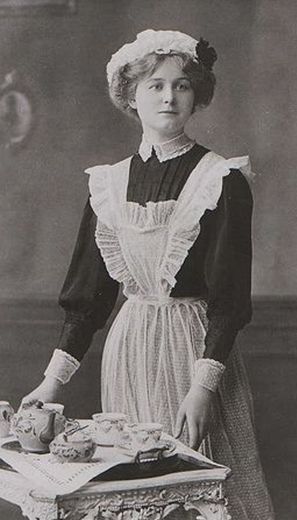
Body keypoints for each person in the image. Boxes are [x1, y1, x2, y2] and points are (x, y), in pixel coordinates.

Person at [21, 30, 274, 519]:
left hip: (197, 352)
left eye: (182, 85)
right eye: (155, 85)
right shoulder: (108, 185)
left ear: (196, 95)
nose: (169, 96)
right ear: (130, 97)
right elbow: (89, 297)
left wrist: (203, 386)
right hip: (130, 347)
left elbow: (230, 298)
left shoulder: (220, 180)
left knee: (205, 487)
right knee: (134, 494)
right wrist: (53, 381)